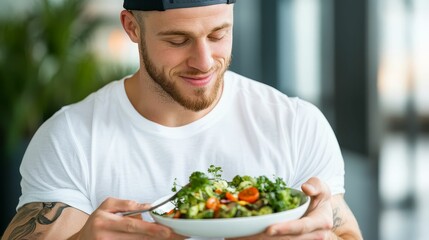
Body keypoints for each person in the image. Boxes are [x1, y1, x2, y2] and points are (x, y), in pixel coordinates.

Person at [2, 0, 363, 239]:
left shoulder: (294, 123)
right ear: (132, 27)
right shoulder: (71, 137)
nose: (204, 61)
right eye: (178, 40)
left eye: (218, 34)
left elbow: (345, 231)